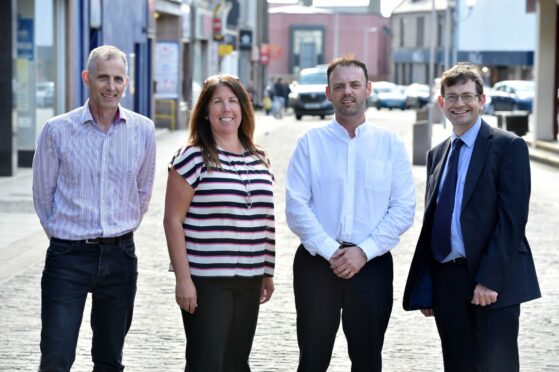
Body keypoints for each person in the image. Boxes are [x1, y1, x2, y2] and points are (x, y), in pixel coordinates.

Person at [403, 63, 541, 371]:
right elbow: (435, 222)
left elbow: (512, 222)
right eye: (451, 96)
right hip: (448, 282)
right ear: (441, 103)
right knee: (457, 365)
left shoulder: (508, 146)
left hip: (493, 281)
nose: (459, 104)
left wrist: (488, 280)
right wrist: (429, 286)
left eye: (467, 95)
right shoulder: (437, 154)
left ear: (482, 100)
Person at [285, 54, 416, 371]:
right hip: (317, 265)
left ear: (368, 89)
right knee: (313, 359)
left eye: (355, 85)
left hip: (371, 265)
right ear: (328, 93)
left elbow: (403, 209)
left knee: (368, 359)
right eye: (339, 86)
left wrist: (362, 252)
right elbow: (296, 207)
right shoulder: (310, 143)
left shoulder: (391, 145)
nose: (348, 92)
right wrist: (333, 252)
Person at [32, 45, 156, 371]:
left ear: (126, 83)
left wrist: (119, 227)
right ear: (88, 78)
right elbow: (43, 195)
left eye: (117, 79)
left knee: (109, 359)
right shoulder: (57, 130)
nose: (110, 86)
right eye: (103, 77)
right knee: (56, 357)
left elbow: (142, 192)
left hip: (120, 257)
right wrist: (66, 235)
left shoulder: (143, 130)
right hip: (67, 258)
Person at [163, 74, 275, 371]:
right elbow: (173, 221)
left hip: (249, 280)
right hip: (206, 281)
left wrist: (267, 271)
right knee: (207, 363)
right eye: (218, 102)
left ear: (243, 109)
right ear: (205, 111)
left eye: (233, 101)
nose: (226, 109)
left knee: (237, 363)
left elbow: (265, 218)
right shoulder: (191, 157)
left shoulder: (259, 157)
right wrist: (183, 280)